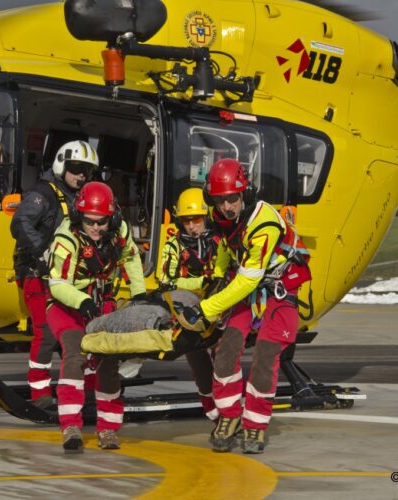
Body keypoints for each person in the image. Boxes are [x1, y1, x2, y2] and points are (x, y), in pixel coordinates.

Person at [176, 158, 311, 454]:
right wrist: (217, 276)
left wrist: (207, 308)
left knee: (265, 355)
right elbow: (226, 246)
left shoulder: (263, 223)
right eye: (220, 200)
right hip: (248, 290)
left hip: (279, 290)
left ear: (245, 193)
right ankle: (229, 416)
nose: (226, 207)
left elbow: (249, 280)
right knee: (225, 351)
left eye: (232, 199)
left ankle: (255, 423)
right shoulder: (222, 216)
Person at [46, 181, 146, 454]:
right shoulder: (66, 239)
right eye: (89, 221)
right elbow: (57, 285)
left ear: (111, 218)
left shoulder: (119, 231)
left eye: (101, 222)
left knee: (107, 361)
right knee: (75, 353)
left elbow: (131, 258)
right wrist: (83, 301)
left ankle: (108, 428)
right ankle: (70, 426)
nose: (96, 228)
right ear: (79, 216)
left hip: (103, 303)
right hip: (67, 305)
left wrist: (139, 296)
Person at [10, 140, 99, 409]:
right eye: (76, 168)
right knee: (47, 332)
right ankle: (39, 393)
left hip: (69, 278)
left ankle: (85, 388)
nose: (81, 174)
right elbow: (20, 222)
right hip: (38, 274)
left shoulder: (80, 198)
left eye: (87, 170)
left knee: (80, 332)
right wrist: (43, 251)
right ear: (62, 165)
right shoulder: (43, 194)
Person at [159, 187, 225, 423]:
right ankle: (208, 400)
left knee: (223, 353)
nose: (191, 226)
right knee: (198, 357)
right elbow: (167, 280)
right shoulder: (173, 245)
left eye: (196, 219)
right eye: (186, 221)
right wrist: (200, 281)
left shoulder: (220, 241)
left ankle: (228, 401)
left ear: (206, 217)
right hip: (189, 308)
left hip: (217, 303)